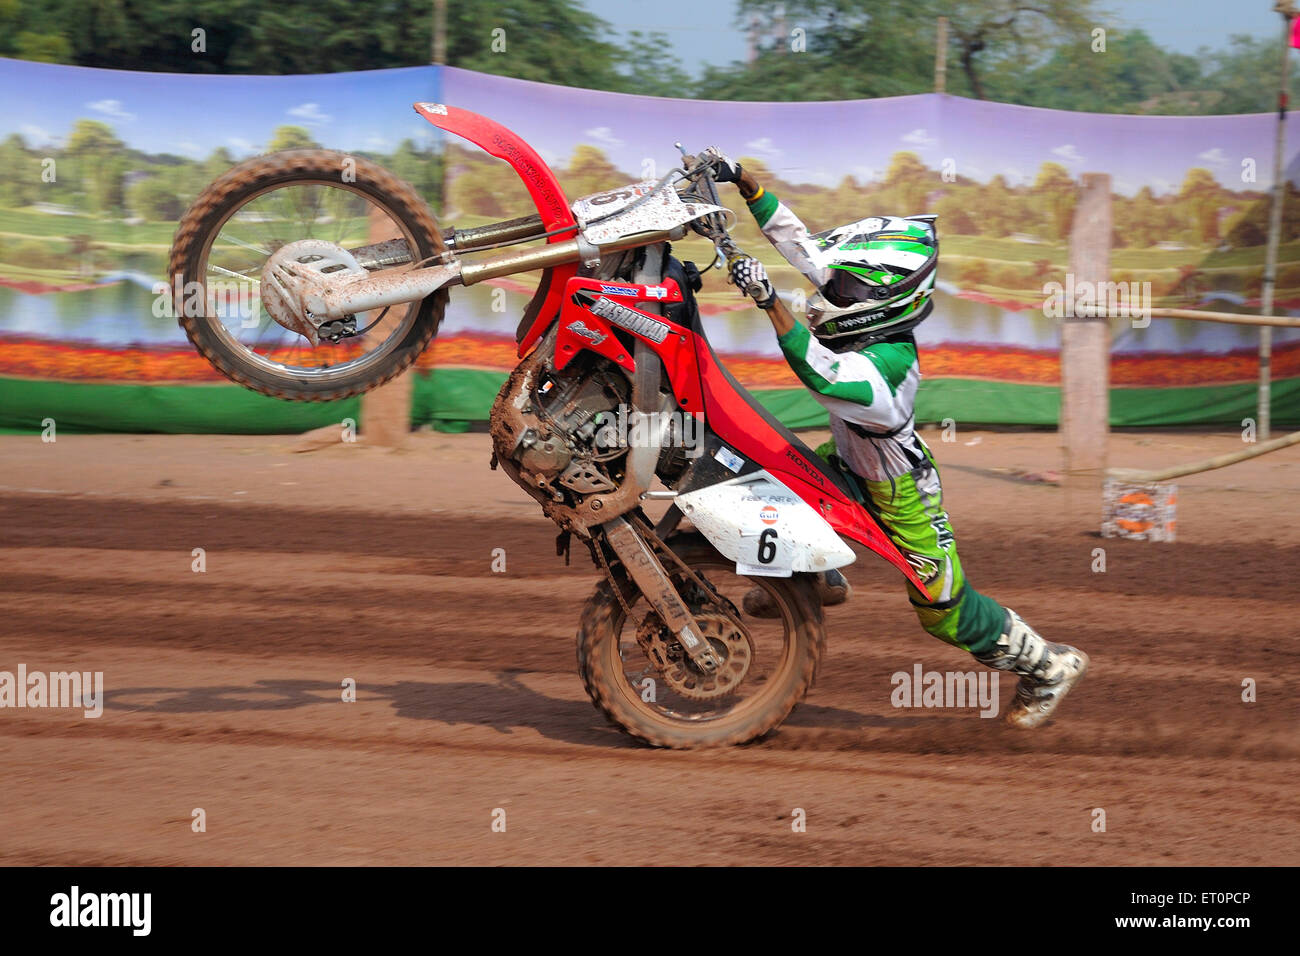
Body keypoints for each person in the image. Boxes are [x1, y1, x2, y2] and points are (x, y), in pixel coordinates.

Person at [703, 148, 1088, 729]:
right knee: (765, 481)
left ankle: (1047, 664)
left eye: (848, 290)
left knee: (943, 612)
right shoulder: (864, 308)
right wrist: (742, 180)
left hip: (900, 491)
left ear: (880, 302)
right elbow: (799, 241)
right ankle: (814, 573)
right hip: (854, 462)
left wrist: (769, 303)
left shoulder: (884, 368)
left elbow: (823, 374)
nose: (832, 291)